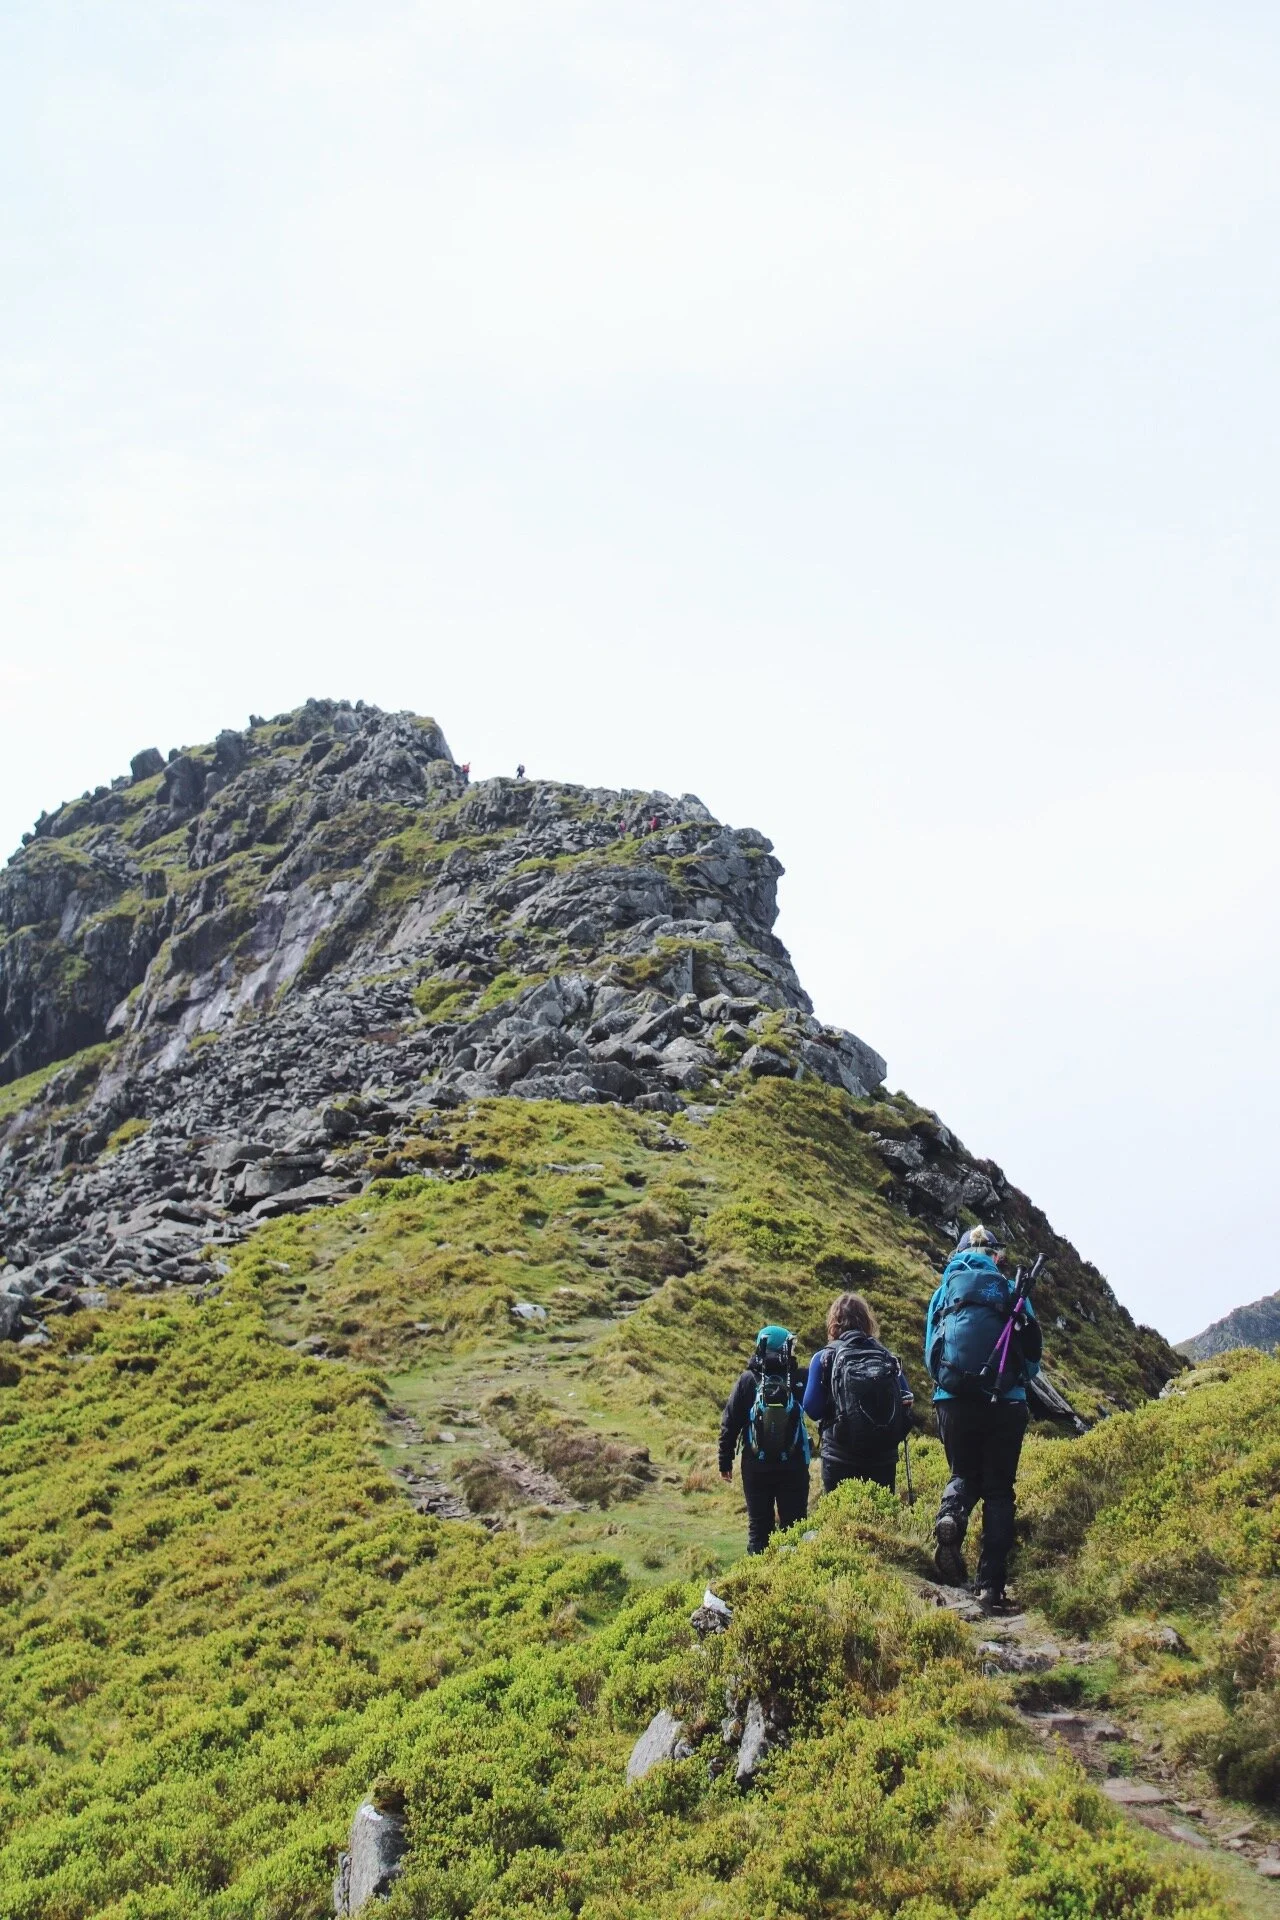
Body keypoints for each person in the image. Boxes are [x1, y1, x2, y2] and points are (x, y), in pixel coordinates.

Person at [925, 1225, 1043, 1609]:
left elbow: (931, 1356)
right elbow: (1032, 1360)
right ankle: (990, 1585)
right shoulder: (1012, 1292)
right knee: (998, 1491)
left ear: (959, 1253)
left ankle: (952, 1518)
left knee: (963, 1475)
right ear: (995, 1256)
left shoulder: (944, 1292)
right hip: (1005, 1403)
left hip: (953, 1400)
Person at [803, 1292, 913, 1493]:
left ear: (833, 1323)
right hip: (882, 1457)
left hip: (840, 1456)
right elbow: (906, 1397)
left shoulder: (823, 1358)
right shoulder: (886, 1356)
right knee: (880, 1515)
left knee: (839, 1519)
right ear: (867, 1321)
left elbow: (812, 1409)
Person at [719, 1325, 811, 1553]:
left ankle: (757, 1582)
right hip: (793, 1465)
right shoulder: (800, 1378)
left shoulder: (747, 1381)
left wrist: (725, 1460)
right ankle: (795, 1580)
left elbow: (730, 1423)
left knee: (759, 1529)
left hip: (755, 1466)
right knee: (795, 1528)